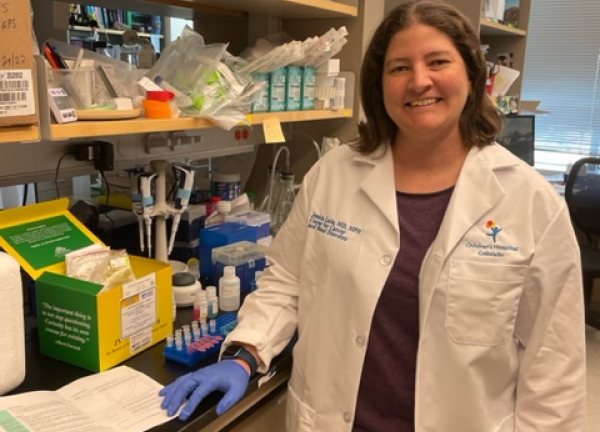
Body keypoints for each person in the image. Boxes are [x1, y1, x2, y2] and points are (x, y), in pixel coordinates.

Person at [159, 1, 587, 431]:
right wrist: (246, 353)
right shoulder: (334, 174)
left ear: (473, 76)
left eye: (438, 62)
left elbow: (554, 369)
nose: (420, 81)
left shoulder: (530, 201)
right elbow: (287, 281)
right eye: (399, 68)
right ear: (379, 84)